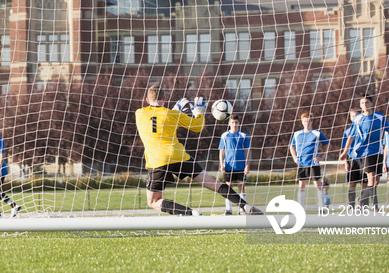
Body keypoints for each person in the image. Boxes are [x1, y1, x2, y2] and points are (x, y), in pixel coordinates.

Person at [134, 85, 261, 216]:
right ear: (164, 98)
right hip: (179, 156)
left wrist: (175, 110)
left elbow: (156, 121)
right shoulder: (173, 115)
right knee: (213, 183)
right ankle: (245, 206)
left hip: (158, 161)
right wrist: (199, 112)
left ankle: (191, 213)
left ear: (147, 100)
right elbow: (198, 126)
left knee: (154, 201)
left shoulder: (139, 113)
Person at [342, 96, 389, 210]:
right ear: (360, 105)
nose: (364, 105)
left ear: (371, 103)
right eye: (362, 103)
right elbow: (350, 136)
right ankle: (375, 207)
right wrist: (345, 151)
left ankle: (361, 199)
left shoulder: (380, 117)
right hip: (364, 152)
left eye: (366, 102)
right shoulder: (358, 119)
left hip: (378, 152)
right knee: (370, 178)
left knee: (376, 181)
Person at [289, 113, 329, 210]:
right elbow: (291, 146)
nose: (306, 123)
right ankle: (301, 208)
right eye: (304, 121)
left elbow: (327, 144)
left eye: (308, 121)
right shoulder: (297, 134)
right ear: (302, 122)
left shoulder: (317, 133)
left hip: (313, 163)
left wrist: (322, 157)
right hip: (302, 163)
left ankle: (322, 206)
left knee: (318, 185)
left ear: (312, 121)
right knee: (301, 185)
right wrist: (295, 158)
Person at [218, 115, 250, 215]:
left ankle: (242, 209)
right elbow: (222, 151)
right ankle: (229, 209)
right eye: (232, 122)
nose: (234, 124)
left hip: (241, 166)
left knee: (241, 186)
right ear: (229, 124)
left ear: (239, 123)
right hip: (228, 166)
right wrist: (222, 164)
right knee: (228, 187)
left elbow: (247, 151)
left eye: (236, 122)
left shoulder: (243, 136)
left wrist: (247, 165)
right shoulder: (224, 136)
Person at [340, 108, 365, 207]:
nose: (354, 118)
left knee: (364, 184)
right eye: (352, 116)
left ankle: (363, 204)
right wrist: (346, 163)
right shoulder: (347, 132)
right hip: (352, 159)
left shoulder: (364, 129)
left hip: (363, 158)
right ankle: (351, 206)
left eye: (356, 115)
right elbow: (344, 148)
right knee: (352, 183)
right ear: (350, 118)